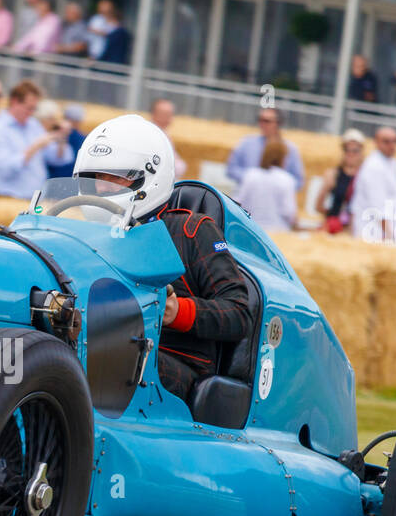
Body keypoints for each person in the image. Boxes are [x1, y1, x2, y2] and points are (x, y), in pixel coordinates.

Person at [72, 114, 253, 403]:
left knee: (98, 359)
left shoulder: (191, 230)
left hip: (175, 361)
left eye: (114, 176)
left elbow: (239, 314)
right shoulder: (89, 235)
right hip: (102, 348)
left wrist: (176, 312)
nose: (102, 187)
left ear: (148, 175)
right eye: (95, 178)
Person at [0, 80, 73, 198]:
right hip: (8, 198)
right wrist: (34, 148)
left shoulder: (33, 125)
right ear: (14, 102)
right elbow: (5, 170)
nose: (31, 113)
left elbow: (58, 159)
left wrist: (61, 139)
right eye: (29, 108)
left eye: (34, 109)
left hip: (34, 200)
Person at [225, 107, 305, 190]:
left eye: (267, 121)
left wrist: (276, 184)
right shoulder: (246, 143)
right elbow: (231, 169)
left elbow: (298, 181)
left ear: (278, 123)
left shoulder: (290, 149)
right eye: (260, 119)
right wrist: (253, 179)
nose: (262, 124)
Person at [349, 127, 396, 241]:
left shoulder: (393, 163)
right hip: (371, 230)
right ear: (376, 143)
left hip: (387, 227)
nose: (392, 145)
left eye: (395, 141)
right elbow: (377, 206)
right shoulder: (373, 167)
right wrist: (390, 236)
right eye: (386, 141)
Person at [234, 139, 297, 232]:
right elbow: (288, 212)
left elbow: (238, 202)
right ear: (282, 157)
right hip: (278, 232)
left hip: (251, 229)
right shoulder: (286, 179)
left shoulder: (250, 175)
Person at [316, 128, 366, 234]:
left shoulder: (365, 177)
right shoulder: (332, 174)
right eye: (347, 150)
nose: (350, 154)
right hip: (334, 228)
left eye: (355, 151)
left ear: (361, 152)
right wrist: (333, 217)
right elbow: (318, 205)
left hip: (356, 230)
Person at [148, 98, 187, 179]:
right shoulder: (152, 134)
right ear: (155, 114)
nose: (170, 118)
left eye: (170, 114)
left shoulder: (164, 134)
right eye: (166, 114)